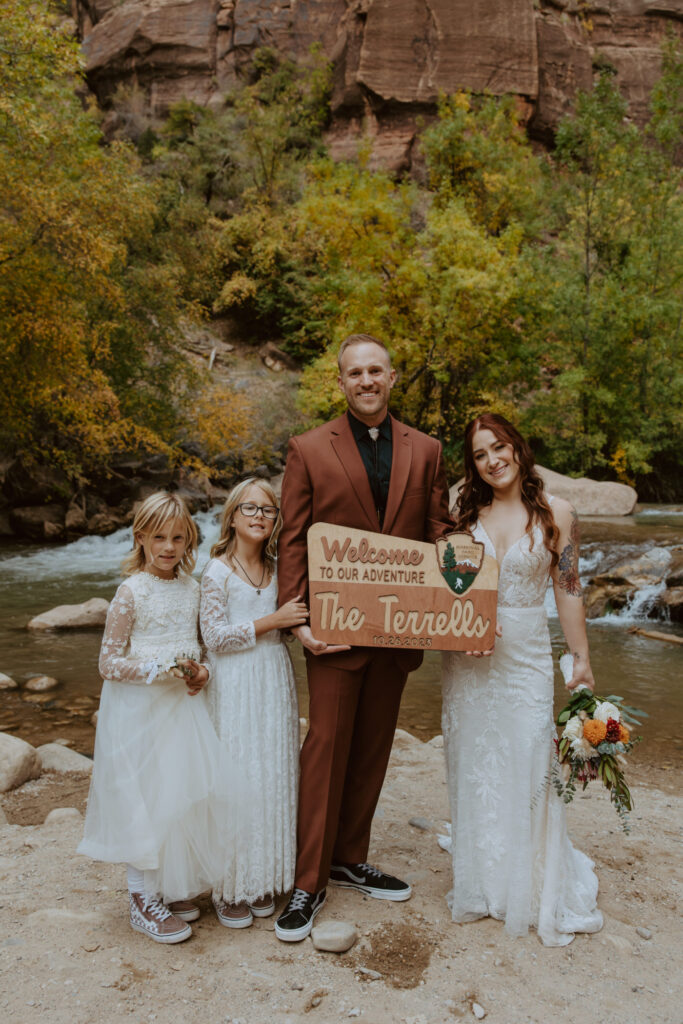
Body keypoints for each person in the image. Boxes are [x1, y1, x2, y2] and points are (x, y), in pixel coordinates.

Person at [274, 333, 453, 941]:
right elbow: (292, 539)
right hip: (332, 629)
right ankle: (307, 884)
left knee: (374, 748)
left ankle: (350, 857)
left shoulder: (426, 450)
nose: (366, 381)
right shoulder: (307, 448)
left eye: (376, 371)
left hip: (399, 631)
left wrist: (468, 604)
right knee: (325, 748)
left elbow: (440, 534)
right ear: (342, 381)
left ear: (393, 377)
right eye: (355, 373)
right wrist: (297, 619)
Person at [441, 413, 604, 946]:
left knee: (529, 757)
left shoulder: (558, 512)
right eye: (481, 454)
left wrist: (579, 657)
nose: (493, 460)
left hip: (528, 655)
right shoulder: (461, 514)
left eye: (500, 447)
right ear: (474, 465)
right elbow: (442, 591)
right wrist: (455, 629)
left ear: (517, 447)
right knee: (476, 761)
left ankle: (530, 883)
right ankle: (483, 881)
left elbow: (569, 588)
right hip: (468, 659)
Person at [78, 492, 232, 944]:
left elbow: (198, 648)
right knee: (141, 798)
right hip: (139, 711)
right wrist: (156, 670)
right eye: (159, 537)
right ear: (140, 537)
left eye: (178, 538)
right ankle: (141, 899)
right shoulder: (131, 592)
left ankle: (168, 885)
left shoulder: (192, 589)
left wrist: (201, 671)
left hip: (182, 711)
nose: (169, 547)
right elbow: (107, 663)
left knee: (178, 796)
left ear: (190, 541)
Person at [199, 478, 308, 928]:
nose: (260, 516)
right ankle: (228, 887)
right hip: (234, 683)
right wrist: (273, 620)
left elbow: (292, 624)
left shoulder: (281, 567)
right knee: (236, 777)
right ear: (232, 516)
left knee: (272, 774)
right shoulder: (216, 572)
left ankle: (262, 877)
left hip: (273, 679)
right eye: (250, 508)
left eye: (268, 510)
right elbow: (215, 639)